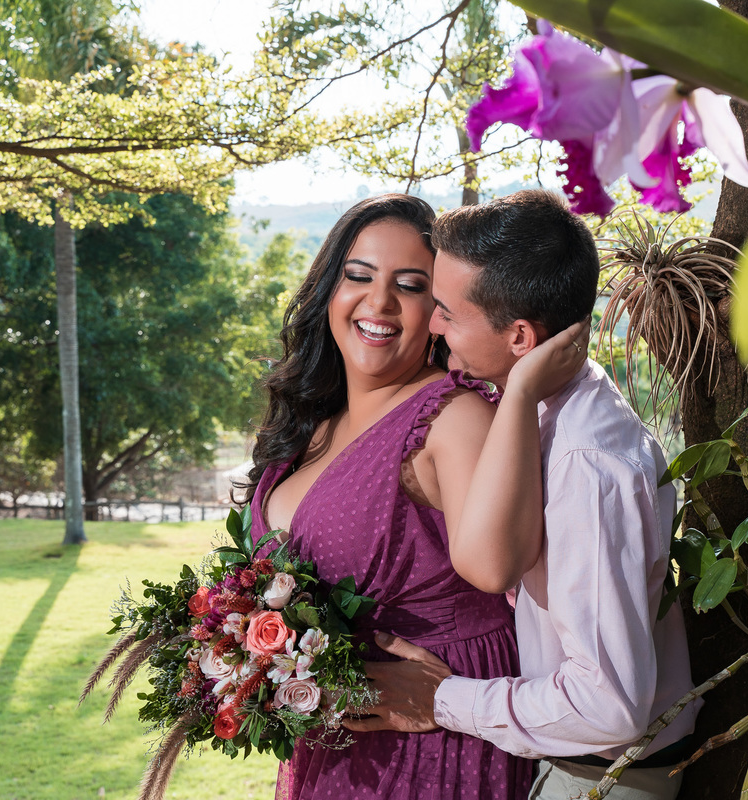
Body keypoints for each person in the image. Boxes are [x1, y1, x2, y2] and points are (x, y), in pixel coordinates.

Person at [344, 190, 700, 800]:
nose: (432, 325)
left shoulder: (586, 465)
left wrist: (441, 699)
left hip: (603, 779)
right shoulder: (546, 407)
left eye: (447, 312)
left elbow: (608, 707)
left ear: (520, 337)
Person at [239, 193, 585, 800]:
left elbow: (497, 566)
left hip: (429, 730)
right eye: (358, 276)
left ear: (439, 311)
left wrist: (523, 390)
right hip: (336, 733)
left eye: (410, 285)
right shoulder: (315, 421)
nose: (379, 302)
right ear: (329, 289)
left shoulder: (454, 416)